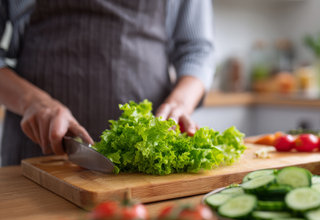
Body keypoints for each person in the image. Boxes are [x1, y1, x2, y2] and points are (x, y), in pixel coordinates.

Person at [0, 0, 214, 166]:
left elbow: (197, 51)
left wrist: (179, 104)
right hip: (38, 148)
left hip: (145, 160)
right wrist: (32, 101)